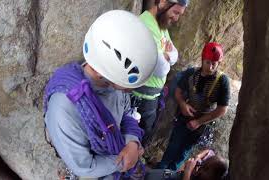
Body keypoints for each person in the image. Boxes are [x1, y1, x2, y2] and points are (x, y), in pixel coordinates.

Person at [43, 10, 158, 179]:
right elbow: (84, 167)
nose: (133, 90)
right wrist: (123, 161)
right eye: (130, 85)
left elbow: (127, 112)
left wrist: (132, 142)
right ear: (105, 73)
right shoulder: (64, 108)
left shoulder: (113, 82)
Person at [156, 42, 231, 170]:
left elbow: (222, 109)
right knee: (174, 145)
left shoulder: (222, 81)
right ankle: (160, 171)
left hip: (203, 122)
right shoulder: (192, 73)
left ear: (219, 63)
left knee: (184, 150)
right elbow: (178, 91)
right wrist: (182, 104)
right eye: (208, 62)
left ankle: (172, 173)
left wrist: (199, 122)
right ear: (202, 60)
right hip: (185, 116)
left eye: (214, 63)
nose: (211, 67)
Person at [132, 0, 189, 145]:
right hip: (141, 98)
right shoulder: (146, 25)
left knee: (146, 133)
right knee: (139, 136)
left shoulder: (161, 24)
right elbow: (160, 68)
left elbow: (175, 55)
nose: (176, 18)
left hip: (151, 96)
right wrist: (167, 58)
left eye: (179, 14)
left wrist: (167, 56)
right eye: (176, 12)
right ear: (163, 2)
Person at [145, 149, 228, 180]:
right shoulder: (201, 176)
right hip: (170, 175)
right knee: (150, 174)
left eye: (205, 169)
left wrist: (188, 171)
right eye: (203, 164)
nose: (200, 169)